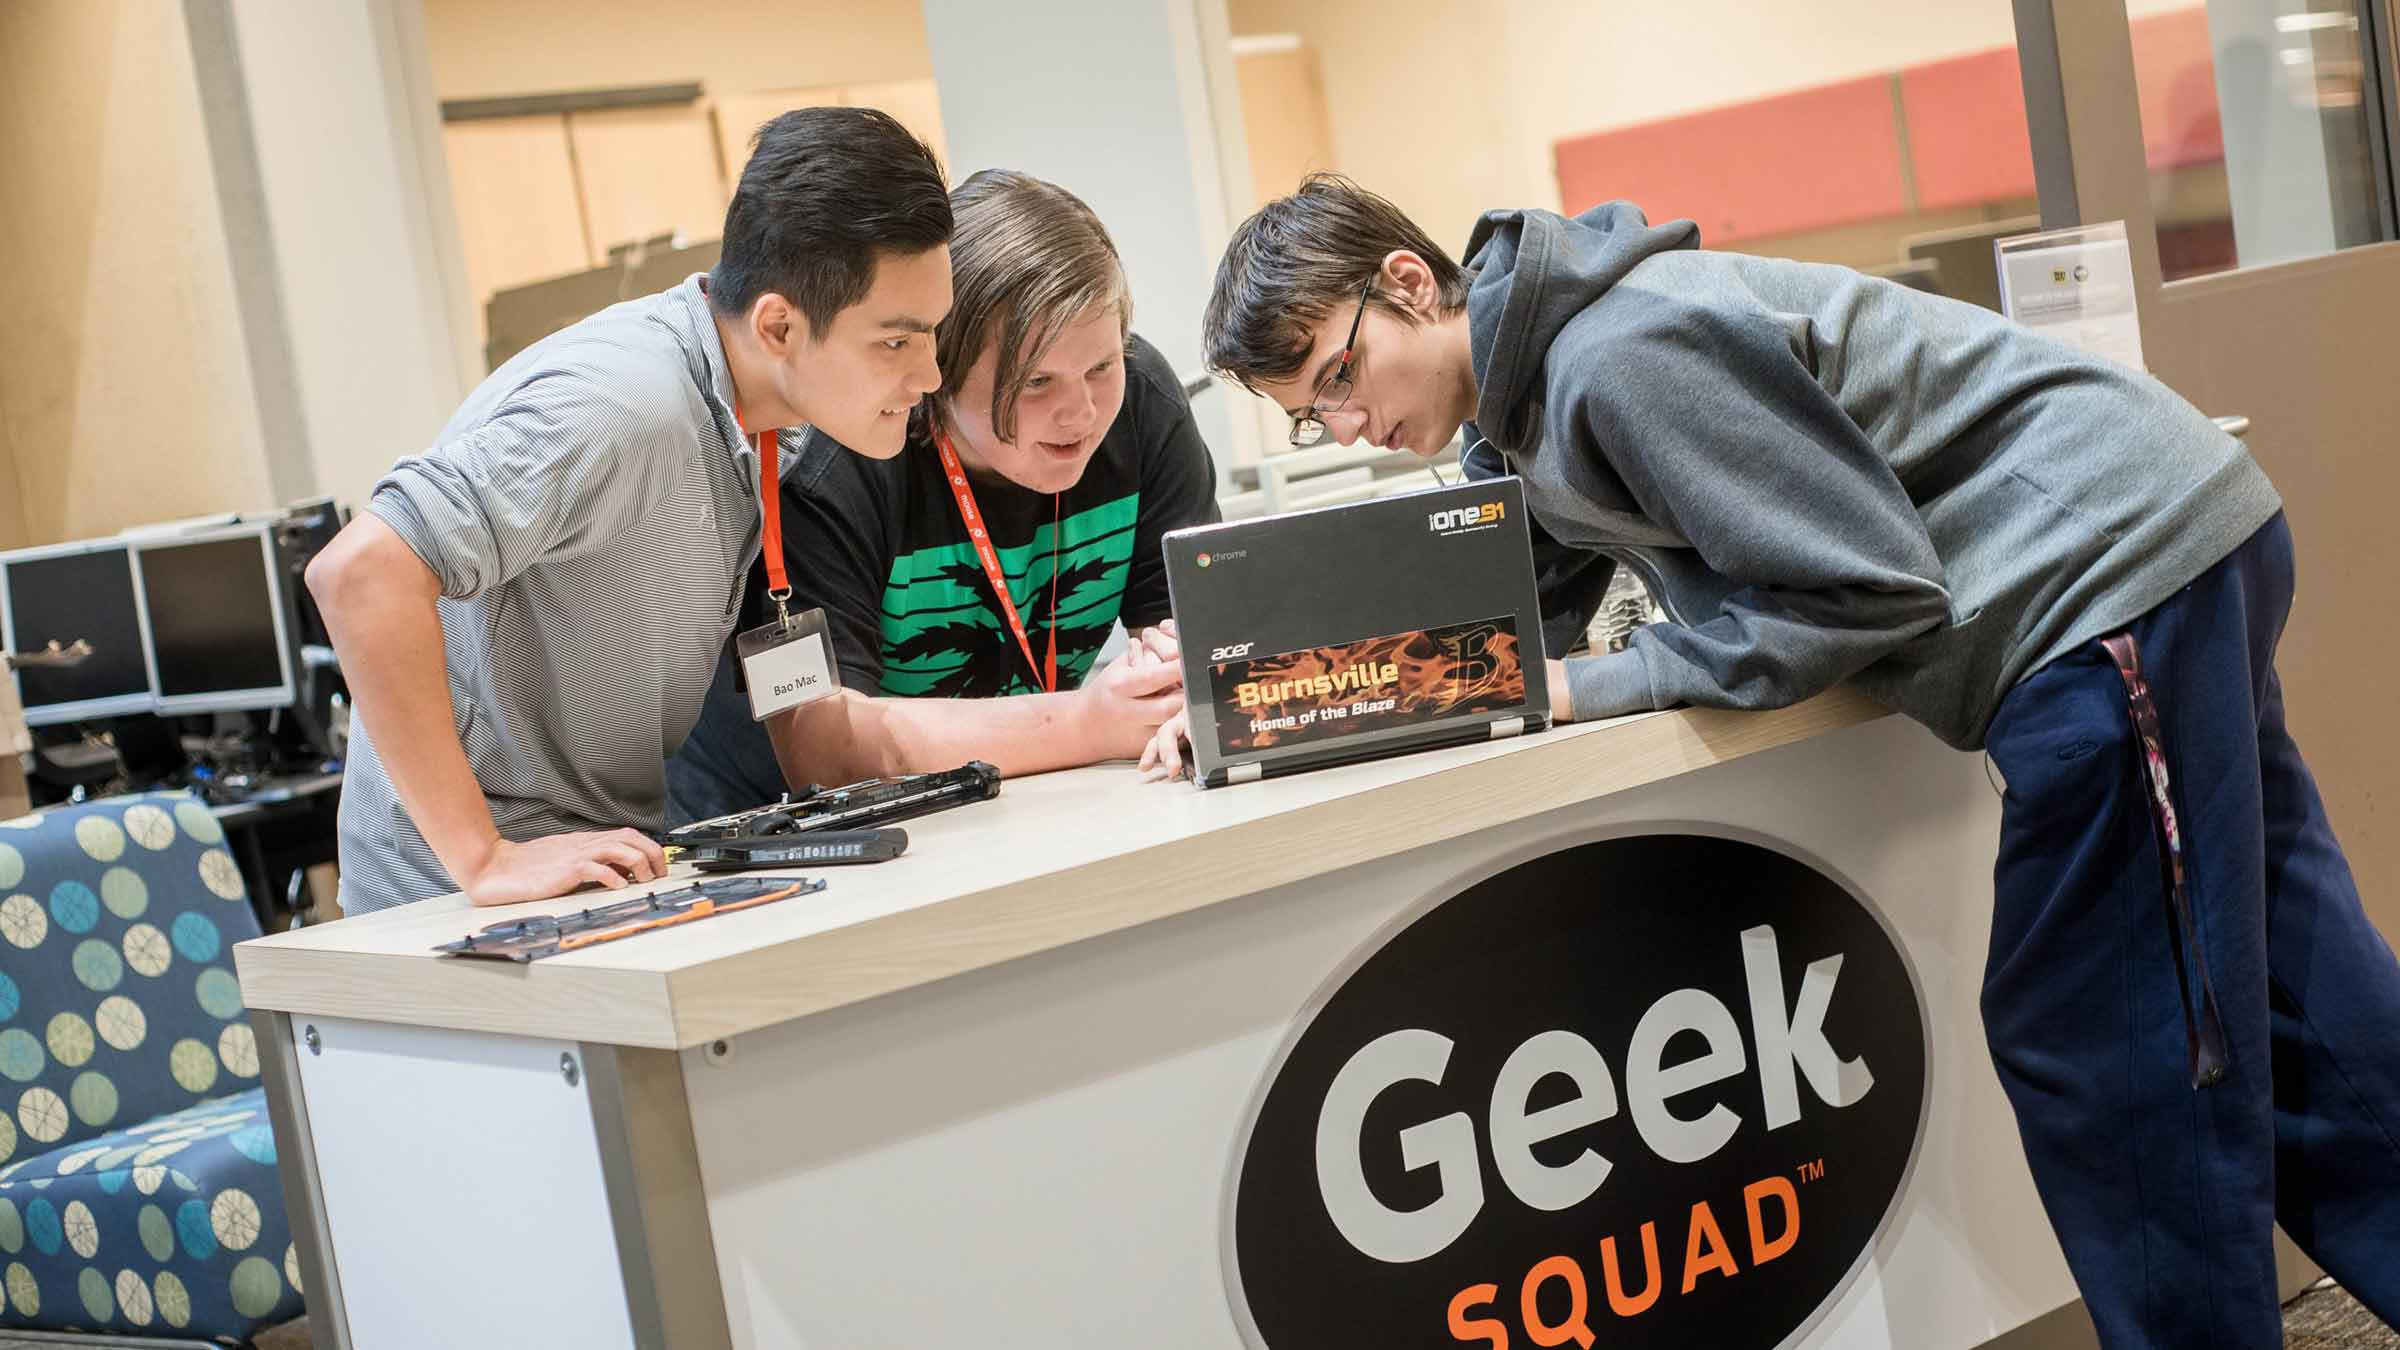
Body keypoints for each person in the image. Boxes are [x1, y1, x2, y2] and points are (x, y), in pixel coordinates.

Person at [1199, 173, 2400, 1348]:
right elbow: (1496, 616)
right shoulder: (1527, 405)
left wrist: (1604, 681)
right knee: (2293, 991)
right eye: (1311, 414)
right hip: (2165, 549)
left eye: (1340, 376)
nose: (1346, 425)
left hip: (2103, 591)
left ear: (1410, 283)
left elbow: (1868, 590)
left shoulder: (1620, 355)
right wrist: (1241, 694)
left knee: (2117, 1054)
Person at [308, 108, 953, 913]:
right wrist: (482, 857)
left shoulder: (766, 418)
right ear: (779, 326)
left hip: (602, 860)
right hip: (455, 898)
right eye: (897, 342)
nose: (929, 374)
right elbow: (360, 574)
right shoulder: (624, 408)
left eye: (934, 333)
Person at [668, 170, 1218, 823]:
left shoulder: (1143, 402)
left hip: (1005, 798)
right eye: (1036, 382)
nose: (1082, 412)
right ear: (940, 372)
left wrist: (1180, 685)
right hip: (777, 829)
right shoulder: (833, 456)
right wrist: (1090, 722)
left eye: (1101, 367)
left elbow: (1202, 635)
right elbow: (821, 749)